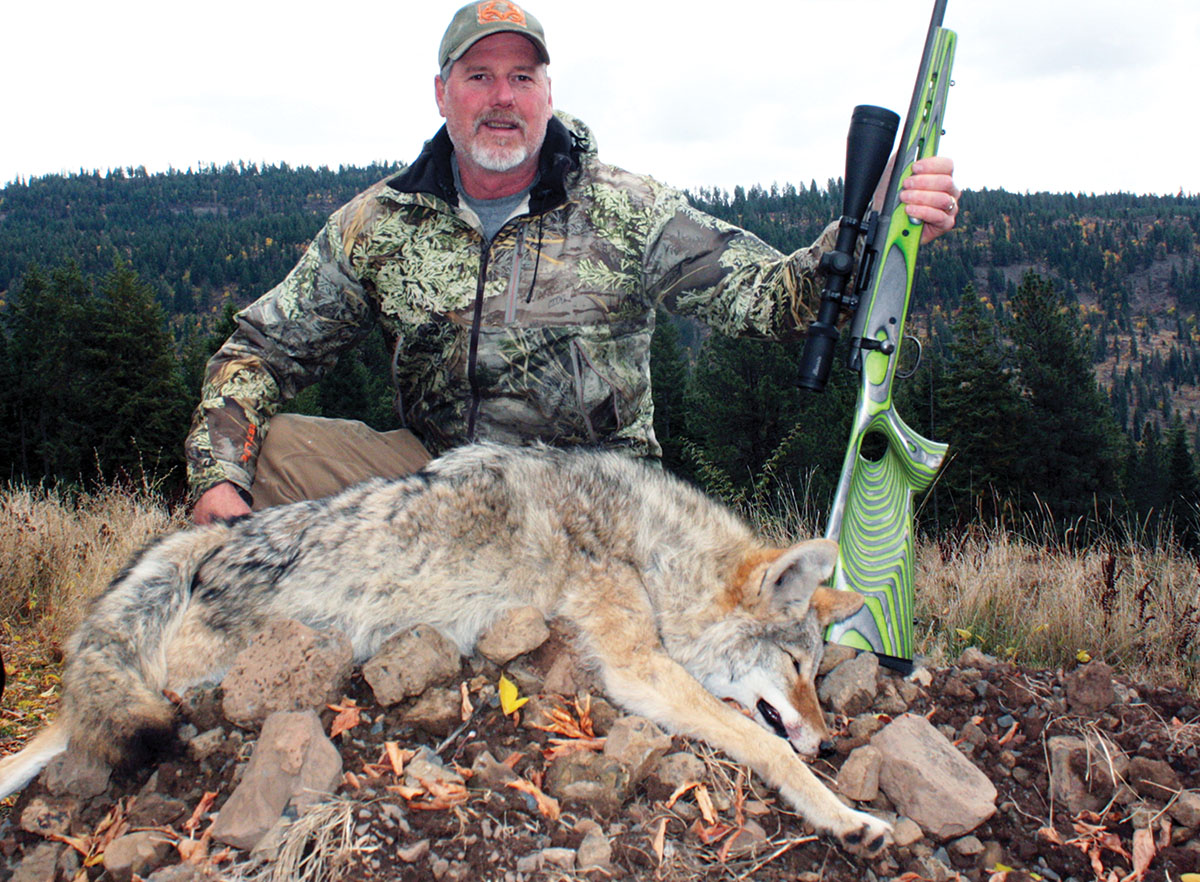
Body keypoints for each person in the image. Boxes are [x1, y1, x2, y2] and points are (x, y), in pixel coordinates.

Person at [188, 0, 961, 525]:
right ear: (442, 93)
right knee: (275, 453)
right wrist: (219, 476)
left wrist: (880, 222)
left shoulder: (626, 209)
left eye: (521, 77)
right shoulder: (377, 224)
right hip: (438, 485)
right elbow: (257, 351)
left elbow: (779, 298)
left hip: (594, 499)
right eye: (479, 76)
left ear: (547, 94)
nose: (501, 97)